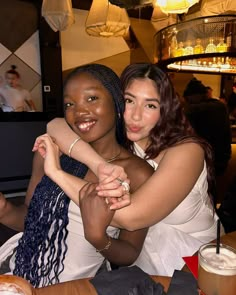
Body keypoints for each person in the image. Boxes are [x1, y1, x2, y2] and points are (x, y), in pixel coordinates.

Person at [45, 63, 222, 277]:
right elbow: (55, 125)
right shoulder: (125, 147)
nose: (136, 116)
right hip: (144, 256)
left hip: (195, 257)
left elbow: (129, 217)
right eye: (129, 101)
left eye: (150, 105)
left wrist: (56, 173)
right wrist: (98, 164)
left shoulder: (187, 151)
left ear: (164, 110)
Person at [0, 64, 153, 287]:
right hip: (18, 270)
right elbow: (29, 218)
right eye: (69, 104)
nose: (79, 111)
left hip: (76, 286)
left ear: (117, 103)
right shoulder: (51, 154)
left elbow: (130, 253)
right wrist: (4, 210)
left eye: (91, 98)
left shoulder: (137, 173)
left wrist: (98, 238)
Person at [183, 78, 232, 178]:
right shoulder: (218, 106)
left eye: (189, 98)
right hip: (220, 155)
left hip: (210, 157)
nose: (188, 101)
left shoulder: (204, 108)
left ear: (197, 95)